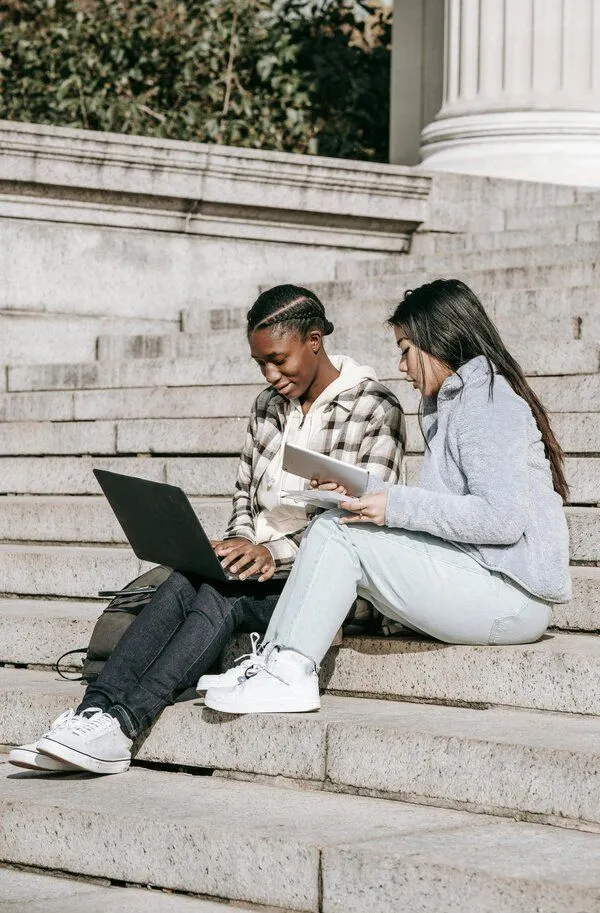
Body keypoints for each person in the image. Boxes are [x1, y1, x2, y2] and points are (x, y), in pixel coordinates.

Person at [10, 283, 405, 773]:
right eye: (260, 363)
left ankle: (124, 725)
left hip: (328, 584)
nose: (270, 374)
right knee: (185, 577)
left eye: (279, 360)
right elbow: (244, 496)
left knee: (222, 595)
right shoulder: (266, 407)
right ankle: (90, 715)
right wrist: (240, 541)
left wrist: (273, 554)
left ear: (314, 341)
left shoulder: (374, 409)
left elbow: (362, 520)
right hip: (262, 567)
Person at [205, 278, 572, 716]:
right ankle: (275, 661)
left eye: (405, 349)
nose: (400, 366)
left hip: (511, 598)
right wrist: (364, 493)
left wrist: (391, 504)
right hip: (482, 581)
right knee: (338, 520)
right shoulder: (459, 402)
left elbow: (500, 519)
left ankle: (289, 669)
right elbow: (452, 514)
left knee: (339, 532)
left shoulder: (489, 404)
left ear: (438, 341)